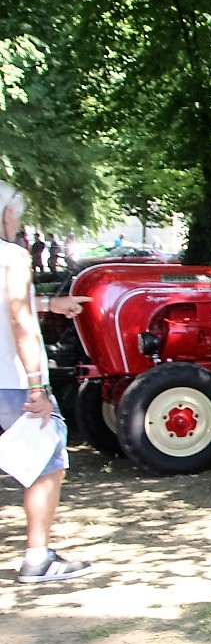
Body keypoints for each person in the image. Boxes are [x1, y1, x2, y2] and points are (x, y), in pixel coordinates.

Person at [0, 182, 91, 583]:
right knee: (46, 462)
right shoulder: (12, 257)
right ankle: (37, 558)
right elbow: (19, 320)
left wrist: (49, 304)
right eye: (18, 217)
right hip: (13, 380)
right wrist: (37, 385)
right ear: (6, 215)